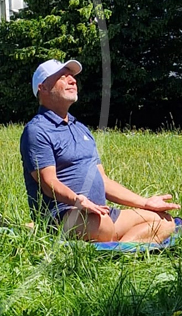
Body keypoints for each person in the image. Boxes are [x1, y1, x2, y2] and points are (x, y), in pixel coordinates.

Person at [20, 59, 179, 243]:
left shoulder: (81, 128)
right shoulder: (37, 130)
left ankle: (121, 250)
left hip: (99, 213)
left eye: (72, 76)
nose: (72, 80)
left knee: (165, 220)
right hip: (62, 215)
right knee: (104, 226)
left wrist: (145, 203)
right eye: (63, 76)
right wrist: (77, 200)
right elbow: (48, 184)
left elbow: (104, 181)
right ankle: (122, 245)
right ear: (43, 88)